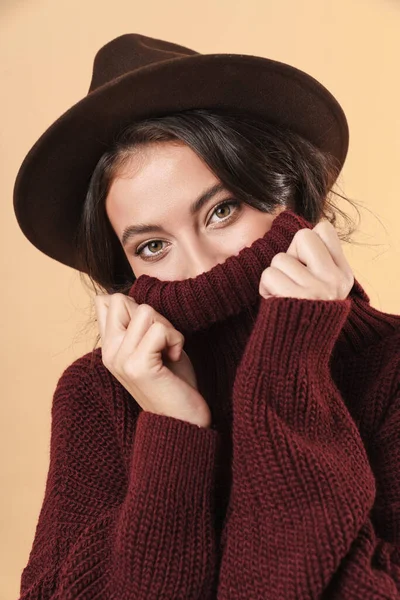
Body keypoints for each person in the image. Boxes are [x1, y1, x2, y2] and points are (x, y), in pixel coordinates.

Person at [13, 33, 400, 599]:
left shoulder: (389, 366)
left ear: (293, 196)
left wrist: (287, 372)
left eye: (222, 211)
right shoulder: (97, 395)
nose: (200, 267)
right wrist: (171, 434)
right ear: (125, 274)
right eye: (151, 246)